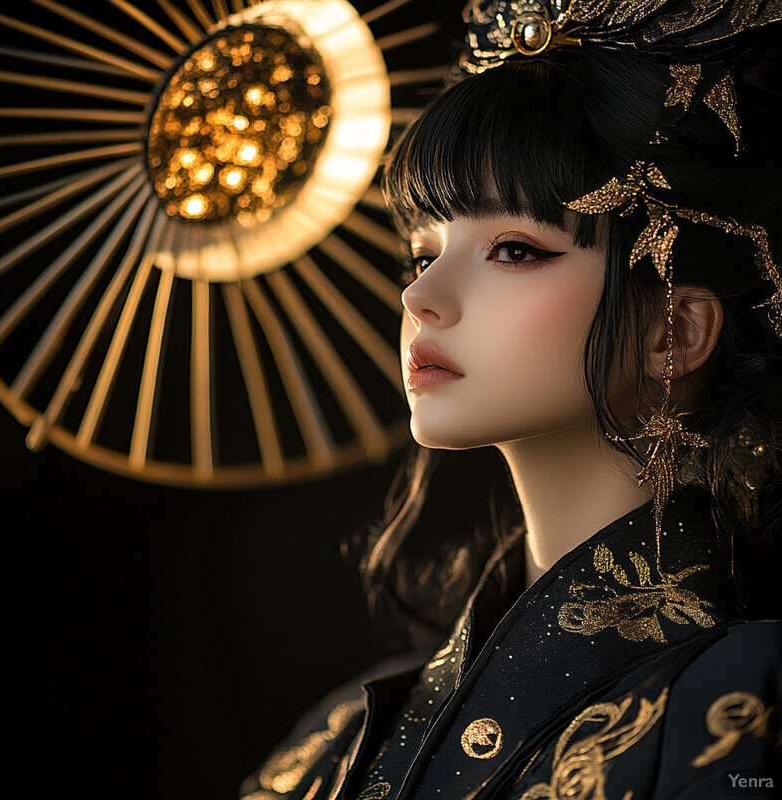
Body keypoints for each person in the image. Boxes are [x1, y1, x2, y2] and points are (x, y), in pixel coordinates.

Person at [240, 1, 782, 797]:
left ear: (675, 331)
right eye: (422, 252)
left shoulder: (741, 698)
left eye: (514, 249)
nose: (423, 295)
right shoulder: (336, 744)